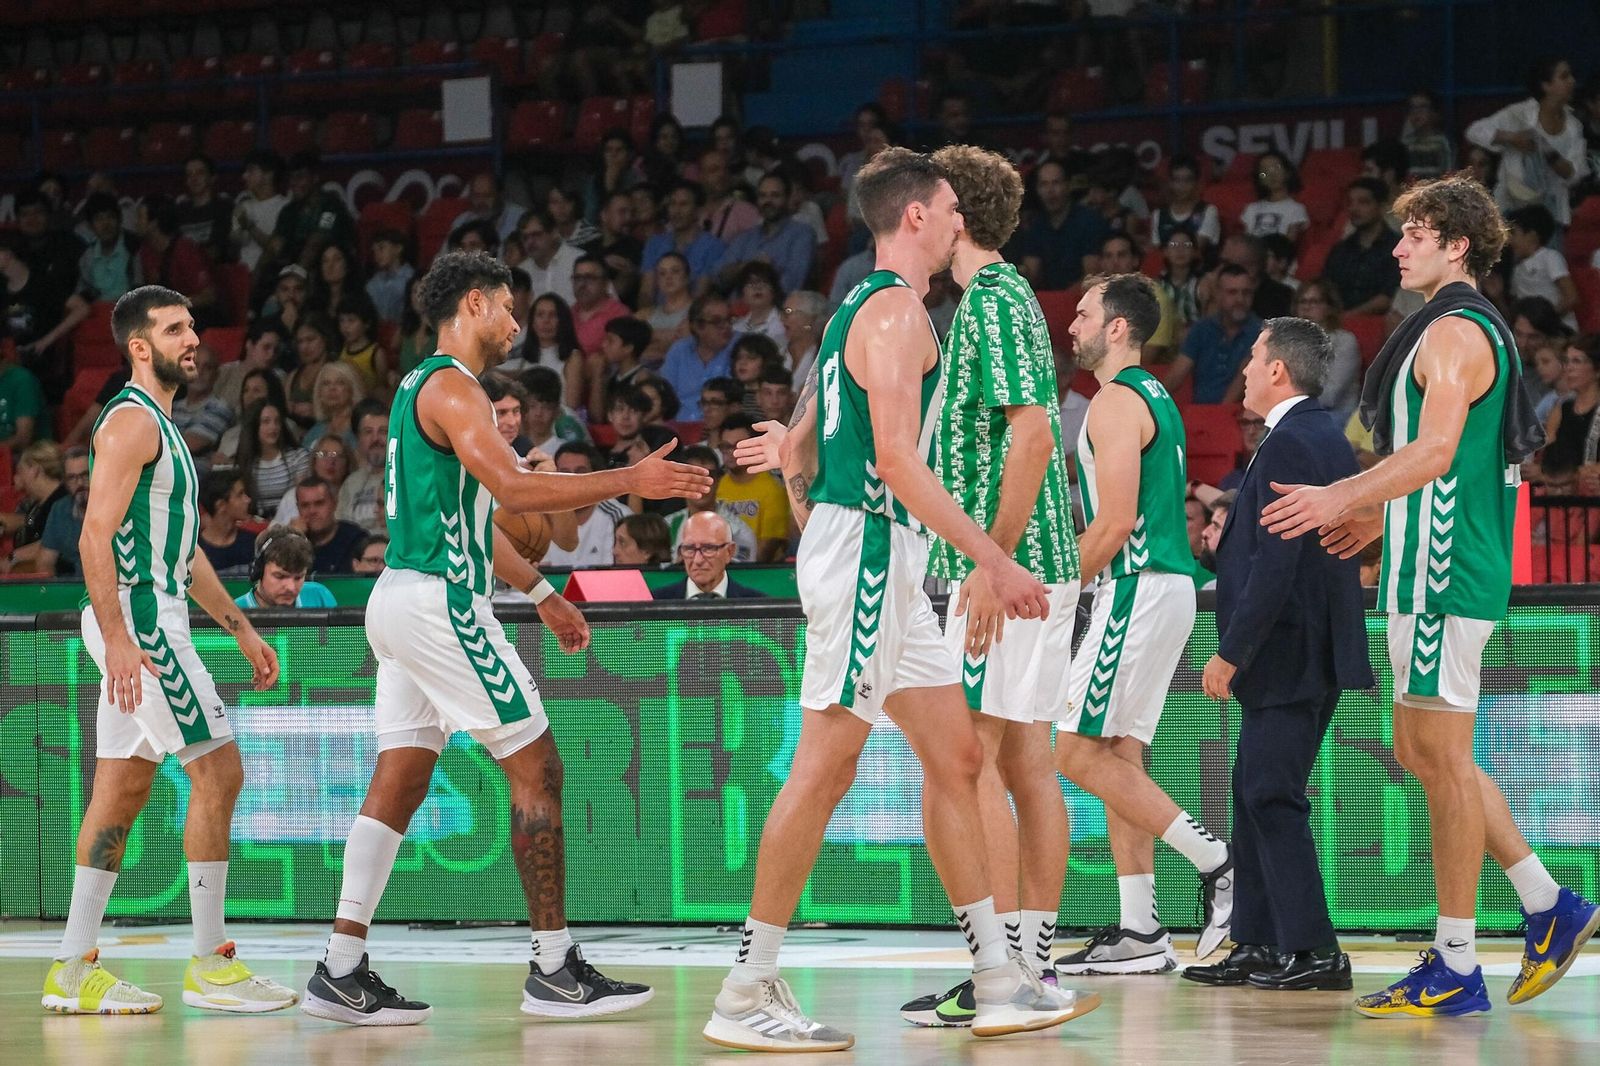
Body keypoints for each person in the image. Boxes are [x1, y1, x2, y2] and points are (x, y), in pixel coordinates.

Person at [705, 147, 1083, 1052]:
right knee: (825, 766)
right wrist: (995, 558)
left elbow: (813, 441)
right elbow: (901, 465)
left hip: (888, 555)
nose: (962, 220)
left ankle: (998, 975)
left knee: (956, 760)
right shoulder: (899, 315)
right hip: (871, 548)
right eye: (951, 206)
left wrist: (792, 448)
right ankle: (747, 987)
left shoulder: (858, 312)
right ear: (915, 215)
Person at [300, 251, 709, 1025]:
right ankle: (553, 968)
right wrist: (629, 481)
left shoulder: (425, 388)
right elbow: (514, 491)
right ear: (477, 304)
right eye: (511, 307)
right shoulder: (456, 387)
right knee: (539, 767)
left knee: (400, 781)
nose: (519, 322)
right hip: (439, 606)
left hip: (398, 598)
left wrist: (544, 592)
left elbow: (476, 520)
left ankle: (340, 967)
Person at [1262, 174, 1599, 1016]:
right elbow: (1446, 457)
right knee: (1421, 752)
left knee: (1439, 760)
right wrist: (1381, 521)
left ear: (1458, 245)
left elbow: (1441, 450)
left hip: (1447, 572)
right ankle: (1545, 904)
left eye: (1414, 234)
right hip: (1430, 563)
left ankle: (1457, 960)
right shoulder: (1449, 328)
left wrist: (1347, 497)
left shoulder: (1452, 332)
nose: (1396, 246)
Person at [44, 285, 293, 1016]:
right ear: (139, 347)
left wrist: (239, 625)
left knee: (120, 790)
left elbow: (181, 552)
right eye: (177, 328)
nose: (194, 338)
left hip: (148, 616)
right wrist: (121, 638)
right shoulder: (130, 423)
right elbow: (94, 535)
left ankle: (72, 967)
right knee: (220, 772)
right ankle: (212, 964)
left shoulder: (164, 426)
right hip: (142, 624)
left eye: (193, 326)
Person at [896, 145, 1087, 1027]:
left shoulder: (997, 301)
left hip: (1009, 571)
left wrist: (989, 562)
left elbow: (1036, 437)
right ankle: (1025, 965)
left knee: (974, 760)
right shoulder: (992, 303)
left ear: (955, 214)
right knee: (1017, 760)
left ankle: (1013, 970)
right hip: (1019, 565)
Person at [1052, 273, 1235, 976]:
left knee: (1073, 754)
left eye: (1085, 312)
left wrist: (1054, 590)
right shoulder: (1155, 394)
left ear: (1120, 328)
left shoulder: (1115, 404)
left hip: (1139, 587)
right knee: (1118, 758)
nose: (1071, 324)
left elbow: (1115, 521)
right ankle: (1140, 932)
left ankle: (1220, 863)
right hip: (1162, 588)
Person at [1185, 318, 1372, 993]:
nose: (1243, 366)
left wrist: (1231, 652)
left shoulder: (1294, 440)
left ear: (1278, 372)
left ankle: (1316, 951)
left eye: (1253, 354)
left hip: (1289, 649)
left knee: (1270, 792)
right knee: (1251, 792)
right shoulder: (1308, 434)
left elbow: (1278, 564)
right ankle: (1260, 943)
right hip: (1301, 646)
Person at [1465, 57, 1587, 231]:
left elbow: (1575, 174)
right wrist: (1512, 138)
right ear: (1546, 85)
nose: (1572, 81)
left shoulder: (1574, 127)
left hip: (1550, 215)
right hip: (1511, 208)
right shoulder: (1518, 115)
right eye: (1564, 76)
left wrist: (1549, 154)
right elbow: (1474, 131)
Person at [1171, 264, 1262, 404]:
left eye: (1246, 293)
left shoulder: (1262, 333)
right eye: (1232, 292)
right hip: (1202, 415)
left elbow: (1242, 380)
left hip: (1242, 418)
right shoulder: (1201, 329)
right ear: (1218, 295)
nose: (1240, 299)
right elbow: (1176, 376)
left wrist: (1215, 417)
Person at [712, 172, 814, 295]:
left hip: (779, 310)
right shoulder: (745, 237)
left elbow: (792, 284)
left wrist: (765, 271)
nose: (768, 201)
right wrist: (748, 266)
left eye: (775, 195)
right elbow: (718, 277)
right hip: (737, 309)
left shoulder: (801, 234)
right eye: (763, 196)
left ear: (787, 199)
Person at [1019, 160, 1107, 291]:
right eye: (1044, 184)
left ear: (1068, 185)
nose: (1050, 190)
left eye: (1056, 183)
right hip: (1046, 301)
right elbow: (1031, 274)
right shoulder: (1036, 225)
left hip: (1080, 300)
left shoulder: (1089, 220)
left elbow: (1091, 276)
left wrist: (1060, 300)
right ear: (1037, 189)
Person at [715, 414, 790, 563]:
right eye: (725, 447)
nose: (731, 452)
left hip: (756, 571)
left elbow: (769, 546)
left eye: (738, 446)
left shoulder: (772, 489)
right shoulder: (717, 486)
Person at [1324, 179, 1403, 317]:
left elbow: (1388, 297)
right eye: (1350, 203)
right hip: (1338, 324)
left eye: (1363, 202)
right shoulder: (1340, 249)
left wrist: (1347, 316)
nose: (1354, 209)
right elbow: (1327, 287)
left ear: (1381, 206)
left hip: (1381, 324)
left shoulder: (1397, 248)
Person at [665, 444, 757, 562]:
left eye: (709, 476)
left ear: (718, 480)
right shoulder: (667, 527)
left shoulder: (739, 533)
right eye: (694, 477)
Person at [1293, 280, 1363, 427]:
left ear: (1329, 308)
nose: (1307, 308)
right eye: (1302, 302)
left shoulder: (1345, 341)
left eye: (1314, 302)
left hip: (1337, 418)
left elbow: (1329, 397)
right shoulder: (1291, 342)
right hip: (1299, 415)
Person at [659, 293, 739, 421]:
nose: (726, 326)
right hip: (679, 427)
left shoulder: (739, 347)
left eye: (729, 319)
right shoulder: (679, 350)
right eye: (717, 321)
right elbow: (664, 396)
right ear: (697, 327)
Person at [653, 511, 763, 598]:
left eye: (708, 549)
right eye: (689, 549)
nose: (698, 560)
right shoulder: (655, 603)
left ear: (729, 552)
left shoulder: (758, 607)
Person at [1506, 205, 1578, 330]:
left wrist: (1544, 321)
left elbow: (1571, 297)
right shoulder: (1517, 270)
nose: (1508, 240)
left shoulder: (1550, 257)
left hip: (1560, 330)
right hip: (1529, 334)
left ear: (1532, 236)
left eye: (1513, 233)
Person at [234, 525, 337, 608]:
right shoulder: (233, 613)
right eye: (280, 576)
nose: (290, 587)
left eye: (298, 577)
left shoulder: (319, 596)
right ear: (259, 571)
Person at [287, 476, 366, 576]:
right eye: (305, 505)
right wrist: (293, 539)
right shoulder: (293, 540)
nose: (312, 511)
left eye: (319, 503)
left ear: (334, 503)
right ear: (298, 508)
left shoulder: (356, 539)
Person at [33, 446, 90, 577]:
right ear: (65, 481)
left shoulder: (114, 506)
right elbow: (45, 561)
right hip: (73, 589)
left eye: (85, 475)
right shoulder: (60, 509)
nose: (80, 483)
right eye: (72, 478)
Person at [171, 343, 234, 459]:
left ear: (216, 375)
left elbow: (189, 445)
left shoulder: (220, 408)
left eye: (208, 367)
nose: (199, 372)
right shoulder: (172, 407)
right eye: (195, 365)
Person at [1152, 156, 1221, 259]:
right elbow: (1157, 252)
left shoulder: (1208, 211)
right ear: (1170, 183)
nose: (1182, 186)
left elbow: (1195, 250)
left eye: (1187, 180)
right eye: (1177, 180)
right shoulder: (1159, 214)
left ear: (1196, 183)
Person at [516, 209, 583, 307]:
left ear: (554, 233)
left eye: (536, 235)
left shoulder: (579, 261)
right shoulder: (522, 272)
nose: (530, 242)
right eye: (525, 237)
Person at [197, 469, 257, 577]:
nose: (247, 500)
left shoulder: (252, 543)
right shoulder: (194, 548)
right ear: (221, 505)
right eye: (240, 495)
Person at [1240, 151, 1310, 243]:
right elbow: (1247, 241)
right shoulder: (1251, 208)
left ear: (1287, 172)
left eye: (1276, 168)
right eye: (1264, 172)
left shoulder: (1296, 208)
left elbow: (1288, 244)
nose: (1271, 175)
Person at [731, 261, 787, 346]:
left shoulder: (784, 324)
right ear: (742, 294)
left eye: (764, 283)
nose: (757, 288)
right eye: (750, 283)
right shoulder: (736, 328)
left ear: (774, 291)